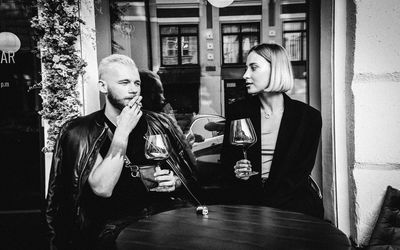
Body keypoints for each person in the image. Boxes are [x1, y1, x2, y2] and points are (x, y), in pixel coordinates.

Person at [45, 54, 200, 249]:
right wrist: (122, 132)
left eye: (137, 83)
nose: (133, 89)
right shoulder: (81, 131)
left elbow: (191, 175)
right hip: (113, 228)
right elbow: (102, 188)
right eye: (124, 82)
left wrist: (175, 181)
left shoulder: (161, 123)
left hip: (164, 217)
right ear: (103, 87)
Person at [220, 43, 324, 219]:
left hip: (293, 208)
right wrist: (236, 171)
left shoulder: (308, 117)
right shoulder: (238, 111)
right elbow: (227, 164)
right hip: (248, 206)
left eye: (253, 68)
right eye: (246, 68)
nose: (245, 75)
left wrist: (266, 210)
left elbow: (298, 175)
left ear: (275, 69)